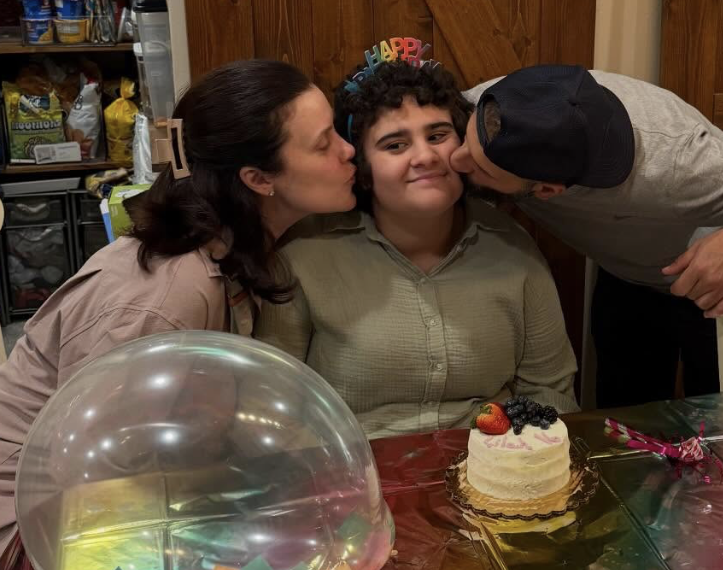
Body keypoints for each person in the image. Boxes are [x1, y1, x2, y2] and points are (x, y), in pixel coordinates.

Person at [0, 59, 357, 555]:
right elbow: (86, 480)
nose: (348, 151)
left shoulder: (231, 246)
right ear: (257, 178)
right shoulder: (164, 299)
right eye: (324, 144)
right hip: (36, 525)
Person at [450, 65, 723, 407]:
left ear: (548, 190)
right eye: (465, 140)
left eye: (479, 169)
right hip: (626, 279)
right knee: (626, 434)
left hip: (722, 284)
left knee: (721, 437)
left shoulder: (680, 162)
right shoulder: (490, 103)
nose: (455, 159)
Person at [255, 60, 579, 439]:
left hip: (491, 470)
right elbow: (275, 402)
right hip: (354, 476)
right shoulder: (304, 255)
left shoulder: (514, 250)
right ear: (362, 168)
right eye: (395, 145)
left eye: (438, 135)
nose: (424, 157)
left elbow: (550, 390)